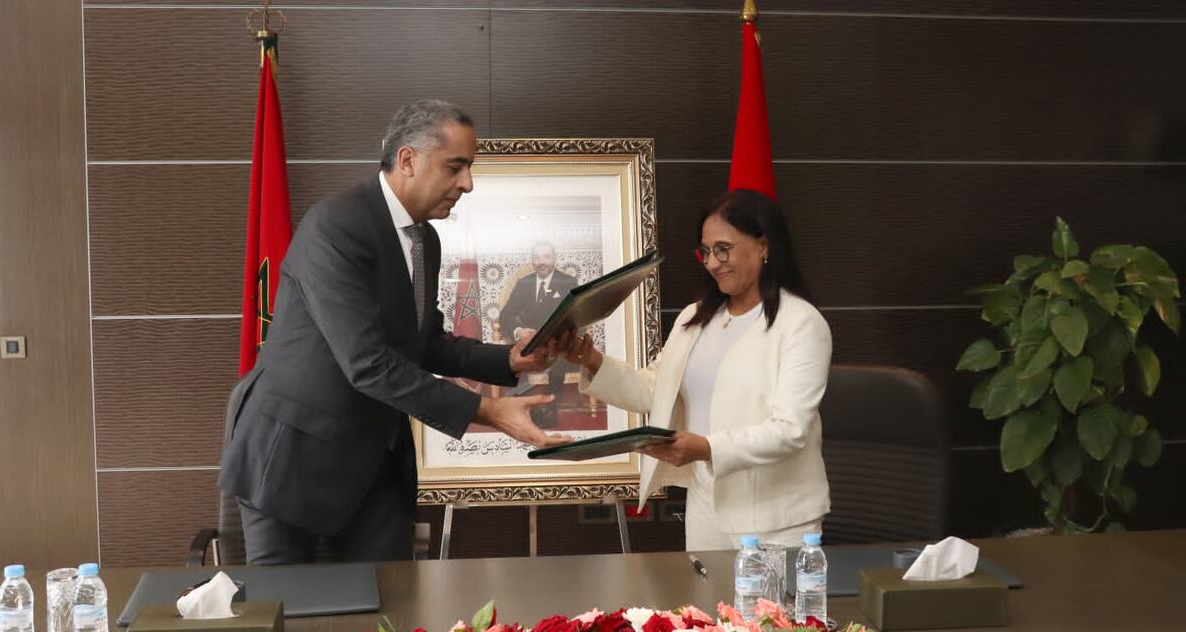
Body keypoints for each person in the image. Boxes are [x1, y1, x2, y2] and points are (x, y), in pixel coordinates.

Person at [218, 100, 568, 565]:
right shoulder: (337, 226)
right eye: (455, 167)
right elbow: (368, 364)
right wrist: (491, 412)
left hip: (375, 466)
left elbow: (422, 342)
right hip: (292, 463)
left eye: (469, 168)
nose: (467, 183)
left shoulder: (425, 239)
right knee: (293, 620)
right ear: (408, 160)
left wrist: (509, 360)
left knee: (387, 619)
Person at [557, 189, 832, 550]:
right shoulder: (694, 317)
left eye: (724, 249)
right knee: (700, 608)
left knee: (770, 610)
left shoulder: (801, 323)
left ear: (763, 246)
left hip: (776, 518)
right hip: (705, 504)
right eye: (706, 252)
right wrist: (592, 361)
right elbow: (656, 391)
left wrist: (705, 447)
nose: (713, 263)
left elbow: (790, 430)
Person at [498, 241, 580, 427]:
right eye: (537, 257)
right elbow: (506, 315)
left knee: (559, 359)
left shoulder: (567, 282)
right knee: (516, 357)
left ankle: (549, 409)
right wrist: (518, 332)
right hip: (529, 342)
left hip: (557, 342)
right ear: (532, 260)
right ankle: (524, 408)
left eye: (546, 257)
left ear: (554, 259)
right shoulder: (523, 283)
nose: (541, 261)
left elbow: (575, 317)